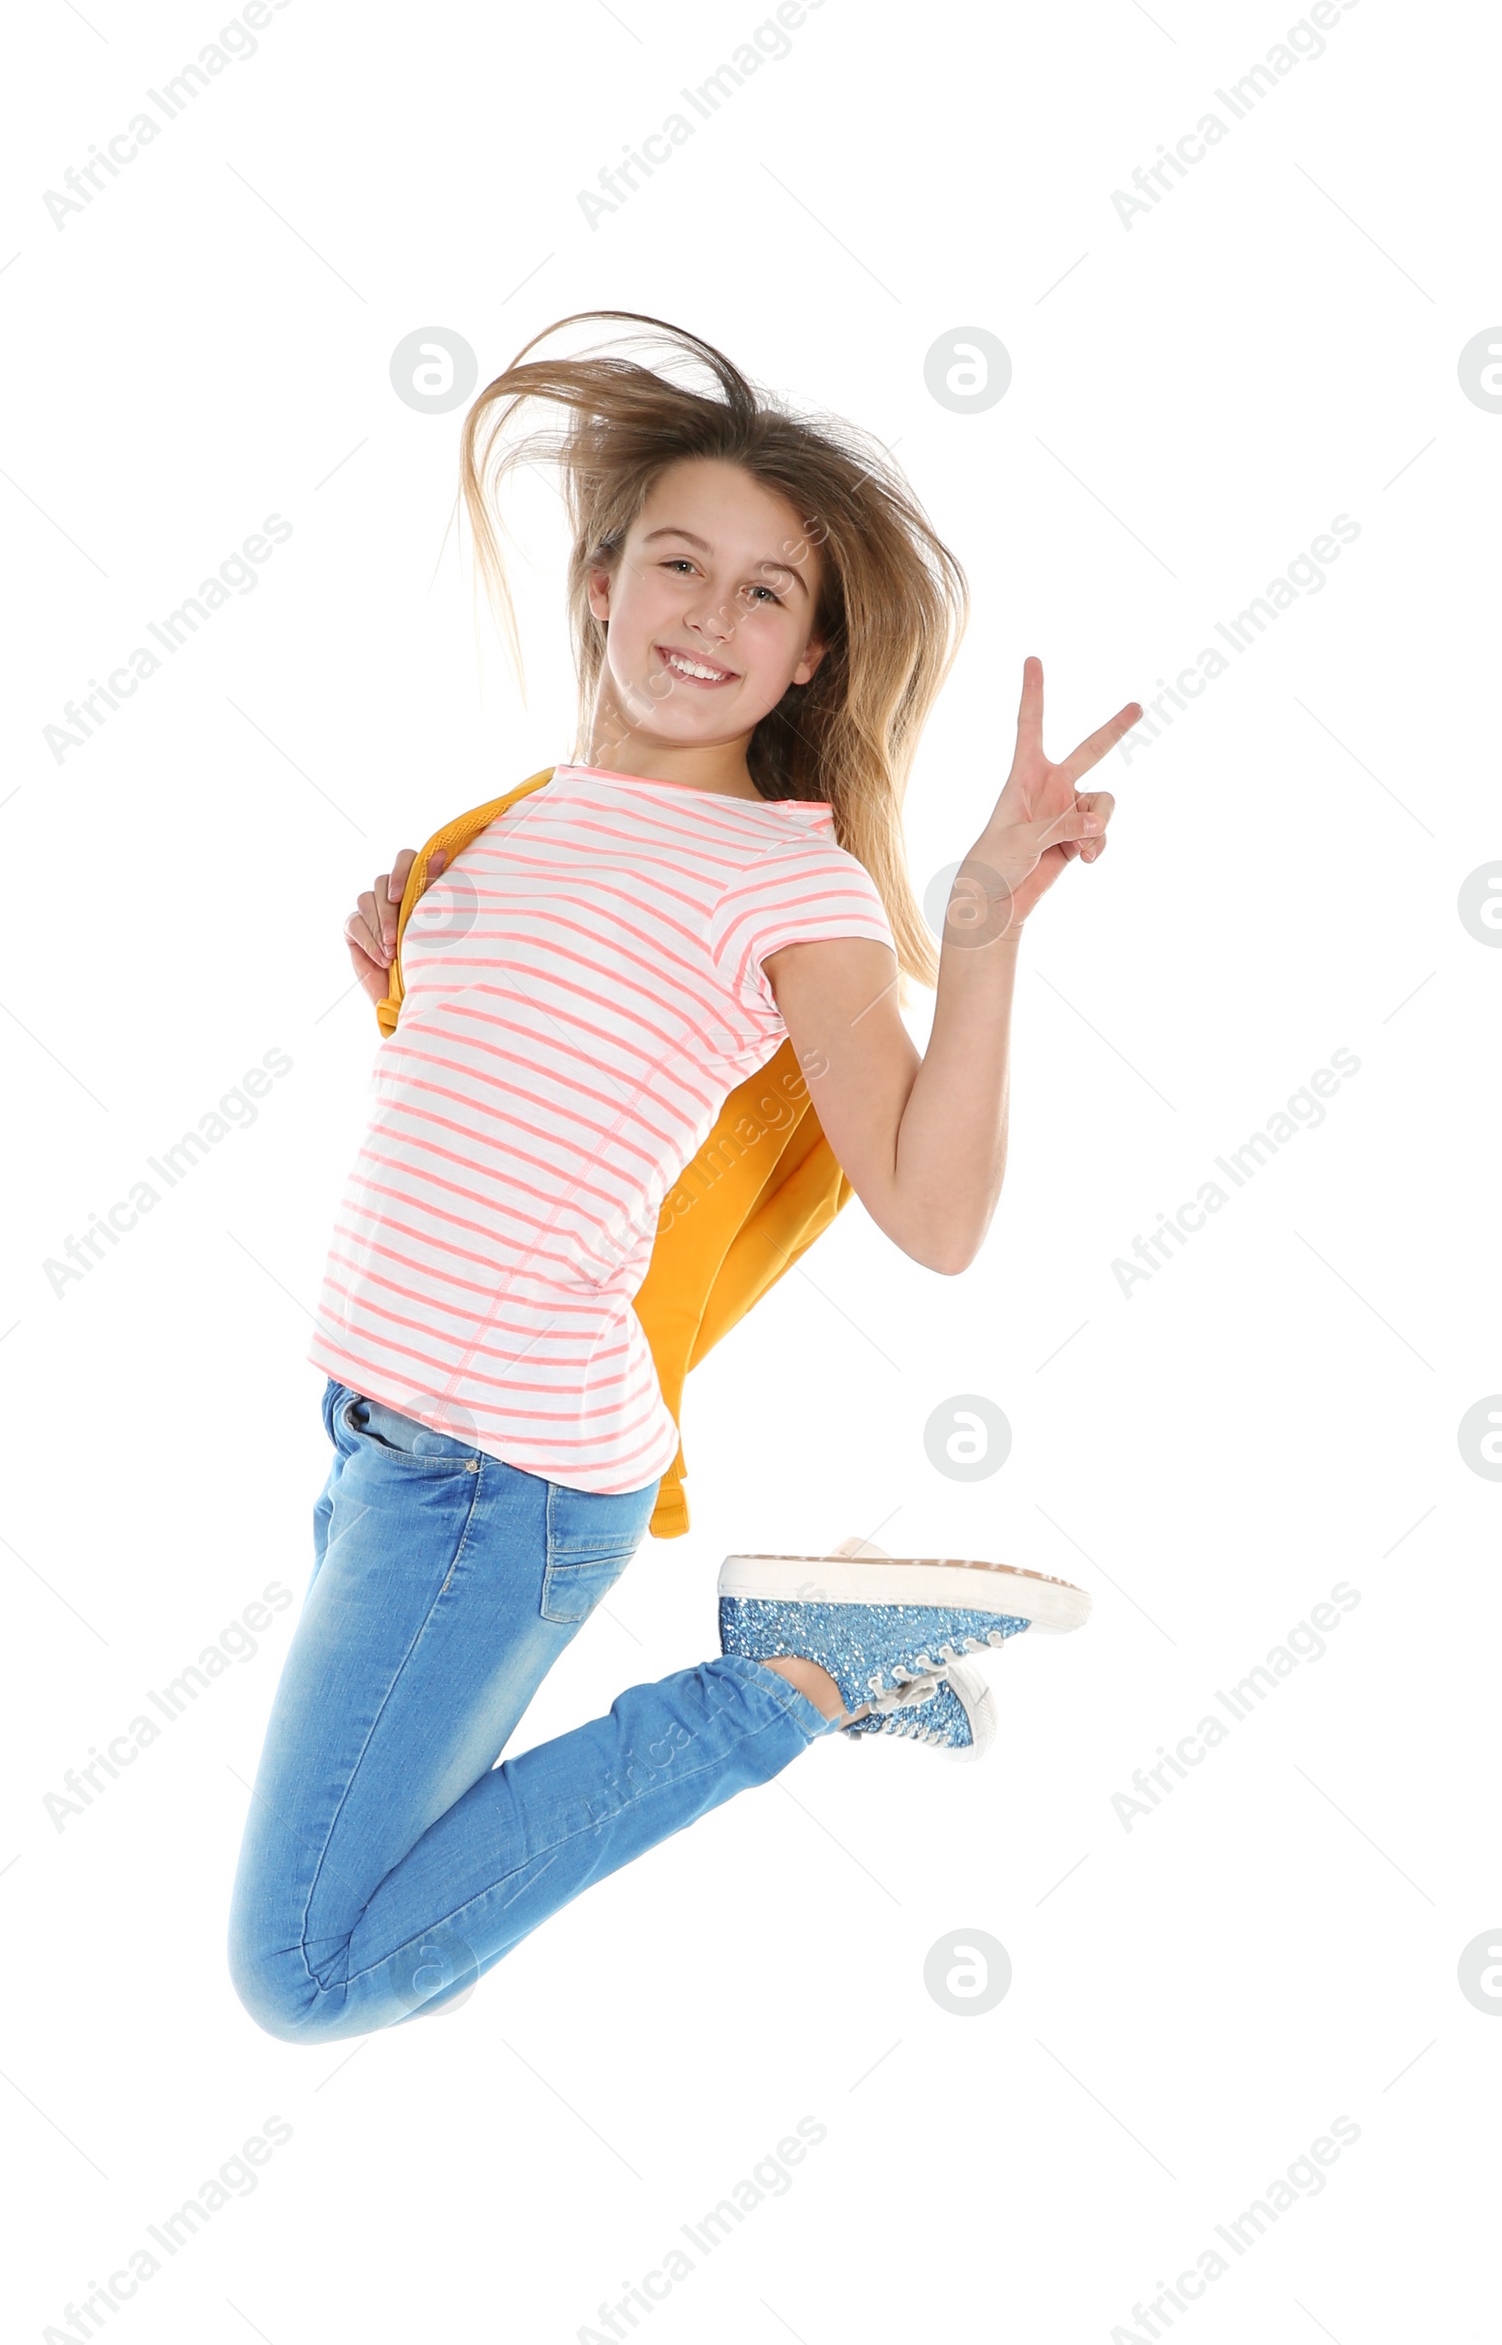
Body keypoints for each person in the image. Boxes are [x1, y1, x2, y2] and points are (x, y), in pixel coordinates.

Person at [226, 311, 1139, 2042]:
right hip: (378, 1434)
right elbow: (524, 1094)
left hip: (499, 1477)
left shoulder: (787, 882)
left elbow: (932, 1215)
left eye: (766, 594)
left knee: (313, 1970)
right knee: (373, 1910)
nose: (709, 617)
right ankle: (815, 1670)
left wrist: (980, 928)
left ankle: (793, 1674)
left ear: (811, 661)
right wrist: (401, 972)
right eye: (678, 562)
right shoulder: (513, 816)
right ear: (599, 581)